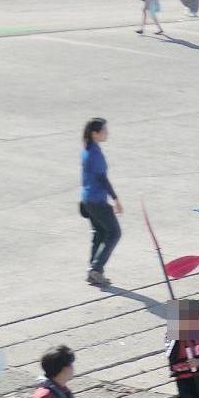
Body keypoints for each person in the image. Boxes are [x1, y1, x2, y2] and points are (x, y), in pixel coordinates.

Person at [80, 118, 122, 288]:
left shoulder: (88, 149)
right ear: (95, 134)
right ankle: (96, 269)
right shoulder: (95, 154)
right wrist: (116, 199)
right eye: (104, 130)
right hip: (97, 200)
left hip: (87, 199)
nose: (107, 133)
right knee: (114, 233)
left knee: (99, 233)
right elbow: (102, 179)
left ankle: (93, 271)